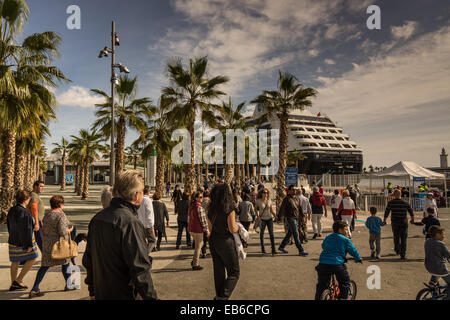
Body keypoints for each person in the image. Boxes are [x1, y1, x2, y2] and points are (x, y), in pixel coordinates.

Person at [82, 170, 157, 300]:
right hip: (124, 293)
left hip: (102, 293)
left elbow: (88, 260)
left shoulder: (97, 219)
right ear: (136, 195)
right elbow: (140, 269)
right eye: (142, 191)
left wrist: (92, 290)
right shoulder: (130, 222)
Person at [29, 195, 75, 298]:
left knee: (44, 267)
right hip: (59, 246)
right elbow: (62, 231)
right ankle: (69, 285)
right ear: (60, 204)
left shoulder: (47, 215)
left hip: (48, 246)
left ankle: (34, 288)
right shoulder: (60, 215)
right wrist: (70, 230)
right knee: (65, 263)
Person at [207, 183, 240, 300]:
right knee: (234, 272)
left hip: (213, 240)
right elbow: (232, 228)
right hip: (226, 241)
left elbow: (209, 228)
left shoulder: (211, 208)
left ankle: (219, 295)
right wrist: (239, 228)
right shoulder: (229, 207)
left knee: (218, 271)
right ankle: (222, 296)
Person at [315, 221, 362, 300]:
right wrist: (358, 258)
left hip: (323, 264)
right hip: (336, 264)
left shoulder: (328, 237)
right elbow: (353, 250)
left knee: (322, 285)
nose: (347, 231)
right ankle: (343, 298)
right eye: (346, 229)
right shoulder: (345, 240)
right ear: (340, 230)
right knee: (345, 282)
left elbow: (323, 246)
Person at [7, 190, 38, 291]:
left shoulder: (12, 210)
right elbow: (27, 229)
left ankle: (13, 283)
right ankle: (19, 280)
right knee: (33, 258)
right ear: (26, 200)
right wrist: (29, 244)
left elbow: (9, 225)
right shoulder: (25, 212)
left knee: (15, 261)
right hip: (23, 242)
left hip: (12, 240)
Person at [383, 189, 415, 260]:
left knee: (396, 236)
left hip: (395, 222)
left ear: (394, 195)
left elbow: (387, 212)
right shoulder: (405, 202)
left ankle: (397, 250)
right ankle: (403, 254)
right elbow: (411, 211)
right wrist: (412, 219)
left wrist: (384, 220)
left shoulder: (390, 203)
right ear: (401, 195)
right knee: (403, 238)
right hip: (403, 222)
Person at [277, 185, 308, 256]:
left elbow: (300, 208)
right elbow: (281, 208)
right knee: (296, 234)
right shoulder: (286, 199)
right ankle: (301, 250)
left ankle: (281, 247)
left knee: (290, 233)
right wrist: (279, 218)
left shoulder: (297, 198)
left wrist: (303, 216)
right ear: (289, 191)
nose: (294, 191)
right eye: (293, 190)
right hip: (290, 218)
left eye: (295, 190)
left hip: (297, 218)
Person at [424, 226, 450, 298]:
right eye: (443, 234)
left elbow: (434, 252)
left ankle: (432, 287)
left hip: (429, 266)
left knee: (435, 273)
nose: (444, 236)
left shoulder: (427, 241)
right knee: (441, 272)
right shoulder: (441, 244)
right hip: (440, 268)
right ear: (437, 234)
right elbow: (448, 255)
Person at [188, 191, 210, 270]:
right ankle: (195, 264)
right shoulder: (199, 208)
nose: (202, 198)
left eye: (202, 196)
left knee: (199, 244)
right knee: (198, 246)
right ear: (196, 198)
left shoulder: (191, 206)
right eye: (200, 197)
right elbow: (203, 221)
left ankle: (194, 261)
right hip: (198, 230)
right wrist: (207, 230)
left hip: (192, 229)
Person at [255, 188, 277, 255]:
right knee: (262, 234)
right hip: (262, 219)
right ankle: (263, 248)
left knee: (271, 234)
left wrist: (276, 216)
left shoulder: (269, 201)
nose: (266, 194)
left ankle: (273, 249)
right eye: (264, 192)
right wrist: (258, 216)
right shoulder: (258, 201)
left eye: (267, 193)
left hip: (269, 219)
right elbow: (255, 209)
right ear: (261, 193)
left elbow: (271, 210)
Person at [136, 185, 155, 253]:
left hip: (140, 224)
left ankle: (142, 253)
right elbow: (149, 214)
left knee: (142, 241)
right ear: (148, 192)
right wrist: (151, 226)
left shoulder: (139, 199)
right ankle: (145, 254)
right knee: (152, 241)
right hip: (147, 225)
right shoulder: (148, 200)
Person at [28, 180, 45, 251]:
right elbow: (34, 208)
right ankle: (46, 257)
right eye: (40, 186)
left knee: (40, 239)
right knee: (40, 240)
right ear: (35, 186)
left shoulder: (35, 195)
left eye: (43, 187)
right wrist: (37, 223)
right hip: (36, 221)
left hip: (38, 220)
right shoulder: (34, 196)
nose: (42, 188)